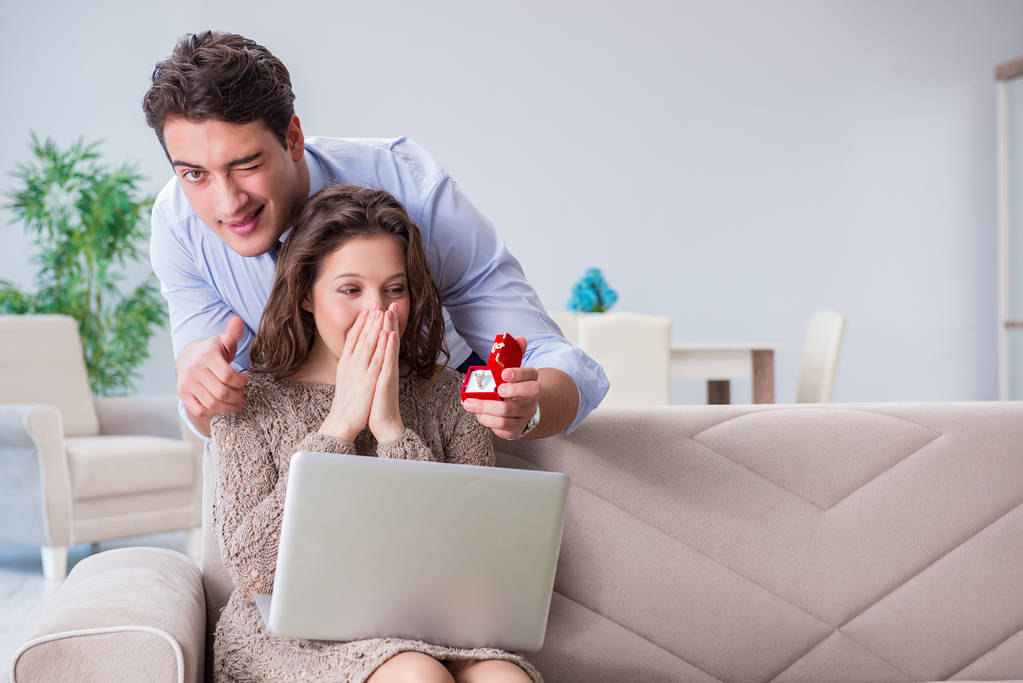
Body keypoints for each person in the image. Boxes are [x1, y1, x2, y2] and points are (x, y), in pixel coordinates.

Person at [143, 31, 608, 442]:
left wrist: (527, 408)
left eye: (246, 166)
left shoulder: (411, 190)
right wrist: (204, 395)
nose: (228, 204)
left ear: (293, 138)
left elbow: (553, 359)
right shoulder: (179, 227)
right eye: (194, 174)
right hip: (297, 429)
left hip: (449, 401)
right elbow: (222, 418)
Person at [212, 184, 541, 683]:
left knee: (504, 678)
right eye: (350, 290)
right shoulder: (248, 407)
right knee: (414, 675)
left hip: (427, 629)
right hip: (289, 640)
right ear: (305, 294)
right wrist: (339, 426)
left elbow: (465, 561)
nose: (380, 312)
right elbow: (252, 568)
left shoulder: (448, 398)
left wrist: (392, 430)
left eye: (394, 289)